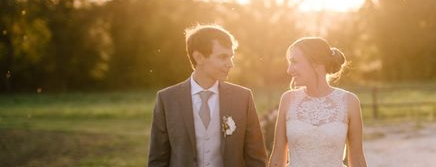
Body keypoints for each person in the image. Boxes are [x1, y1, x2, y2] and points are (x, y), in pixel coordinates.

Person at [148, 24, 267, 167]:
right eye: (223, 57)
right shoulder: (167, 99)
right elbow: (158, 159)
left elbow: (256, 158)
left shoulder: (243, 98)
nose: (230, 64)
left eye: (231, 57)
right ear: (199, 57)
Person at [268, 37, 368, 167]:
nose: (289, 70)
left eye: (294, 62)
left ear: (316, 63)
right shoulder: (287, 100)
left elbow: (357, 159)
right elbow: (277, 157)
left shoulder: (349, 102)